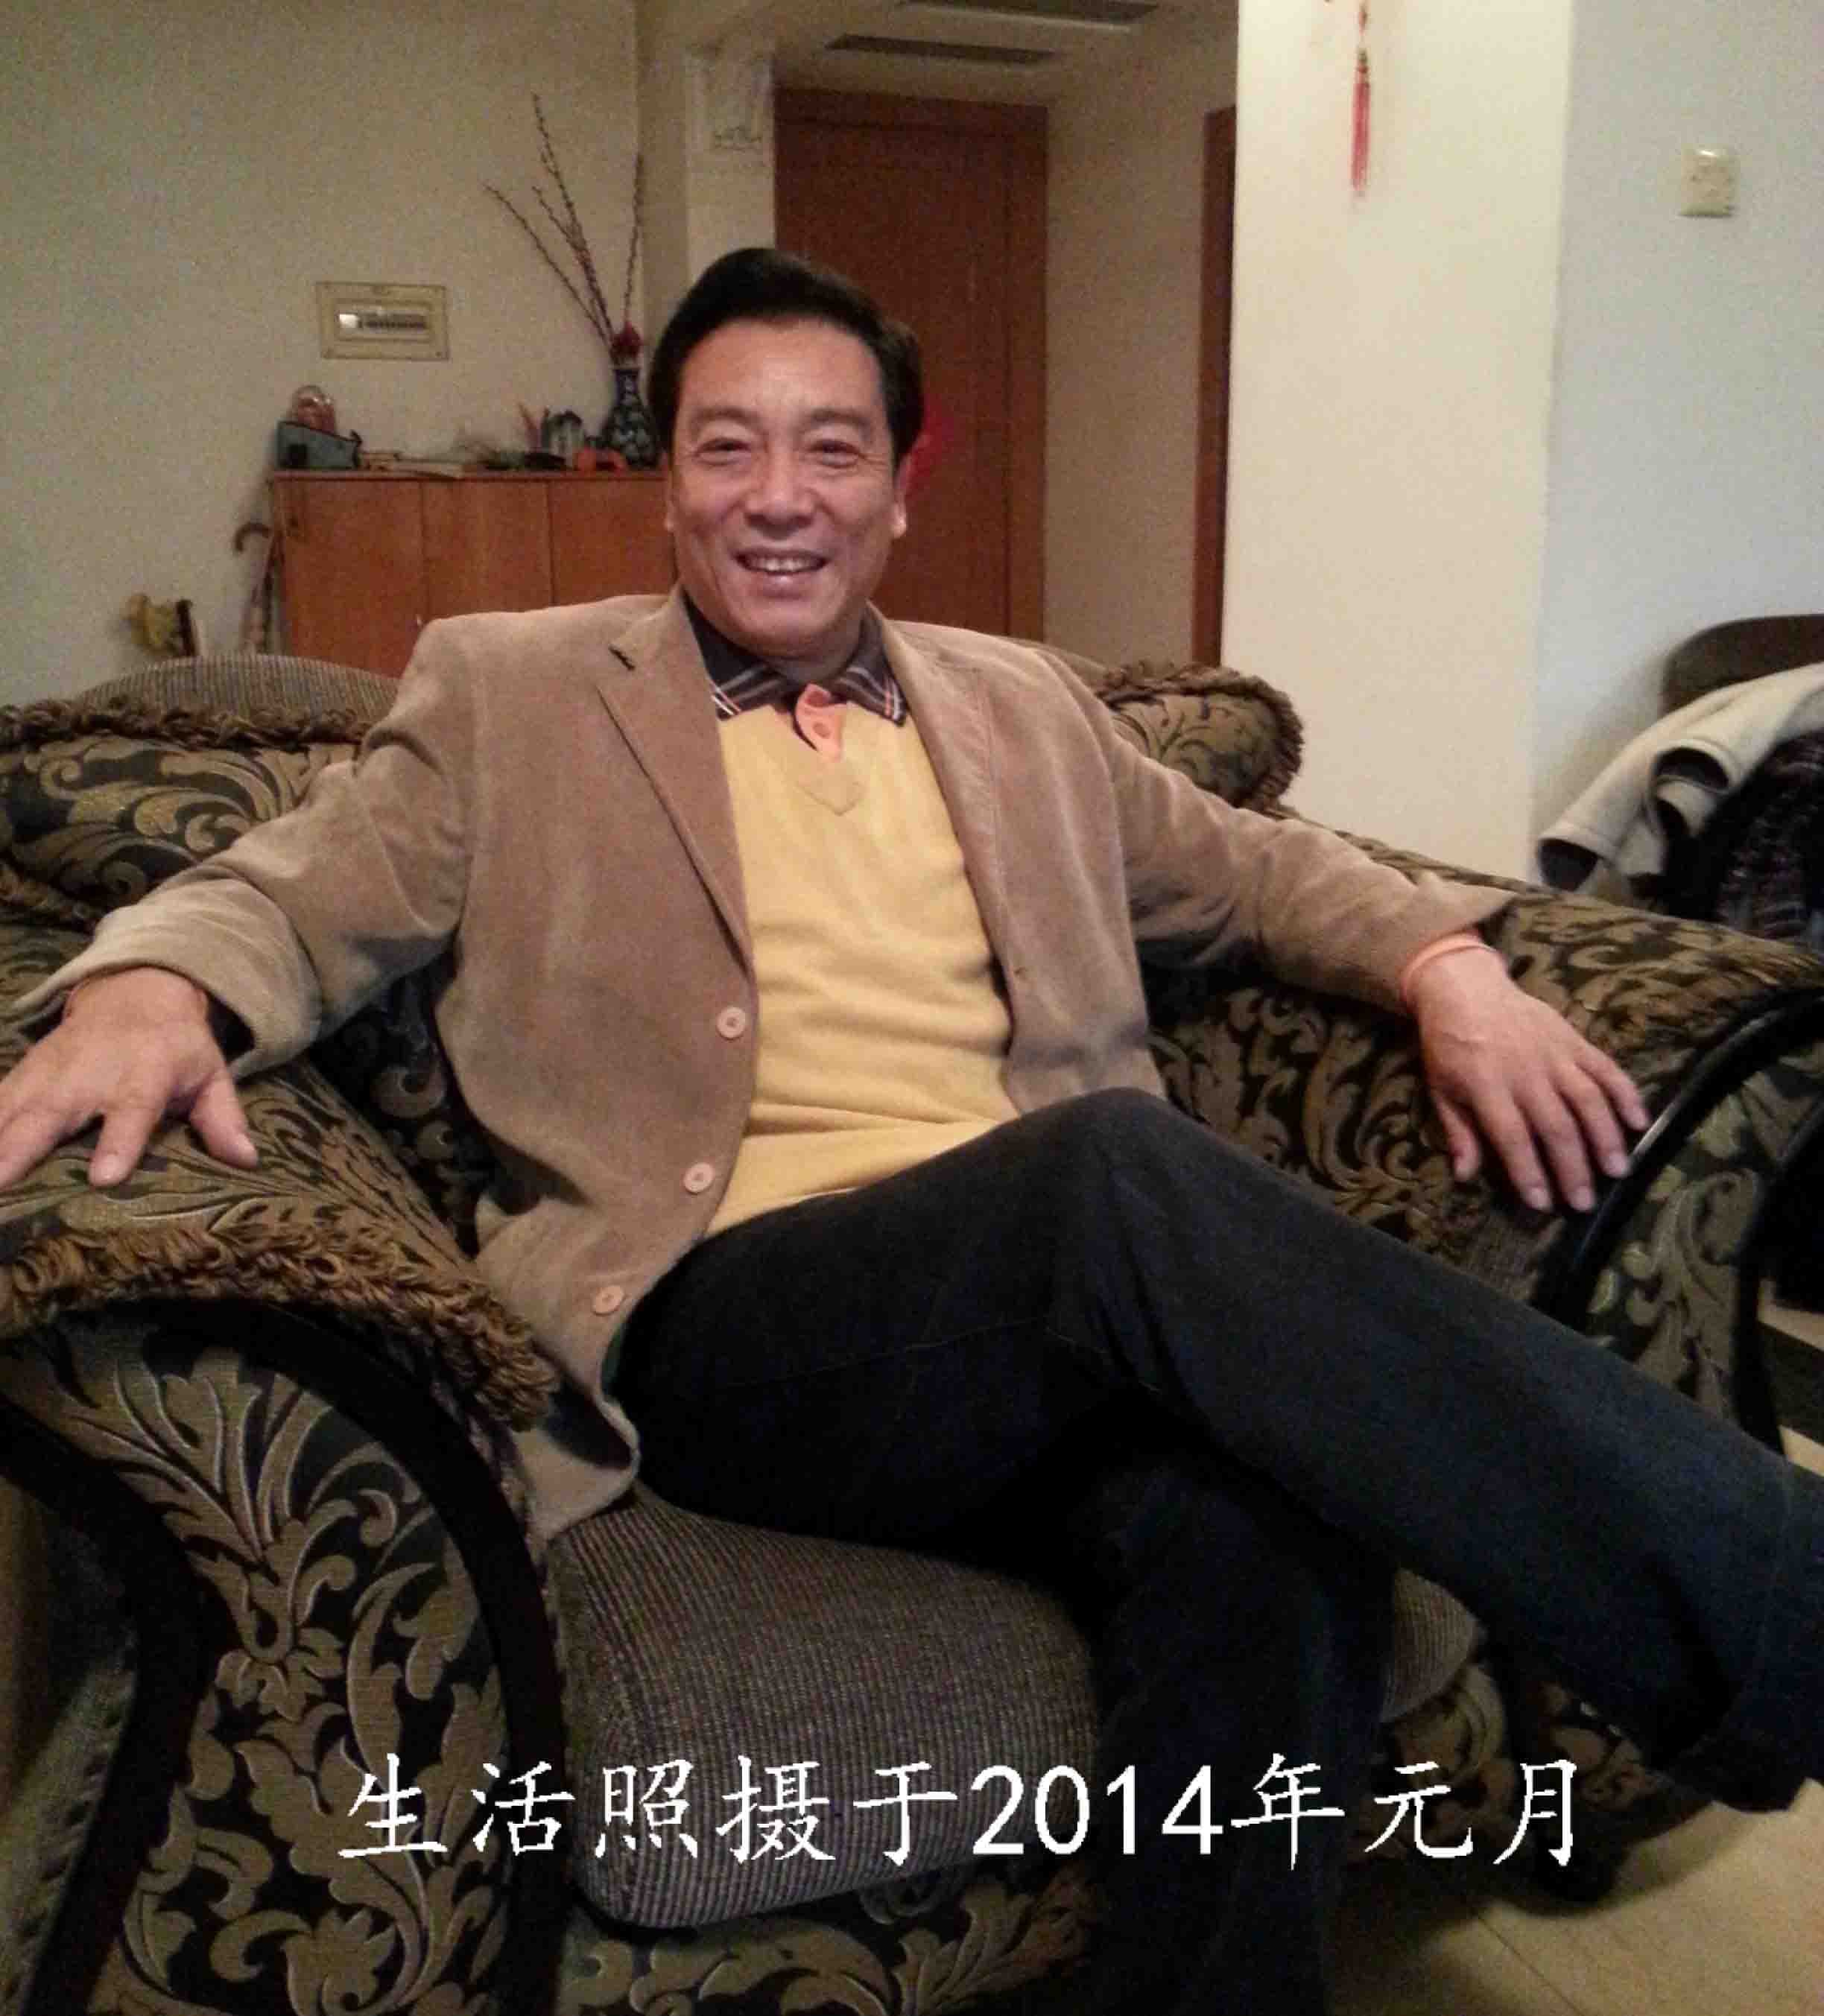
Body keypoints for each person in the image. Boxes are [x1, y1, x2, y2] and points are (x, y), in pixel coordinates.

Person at [1, 248, 1819, 2015]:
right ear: (668, 483)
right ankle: (1778, 1609)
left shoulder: (1023, 706)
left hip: (1064, 1328)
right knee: (1109, 1175)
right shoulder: (514, 692)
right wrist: (153, 986)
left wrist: (1450, 968)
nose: (778, 497)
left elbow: (1264, 870)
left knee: (1263, 1528)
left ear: (897, 492)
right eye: (727, 446)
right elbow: (288, 890)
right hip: (732, 1326)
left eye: (832, 447)